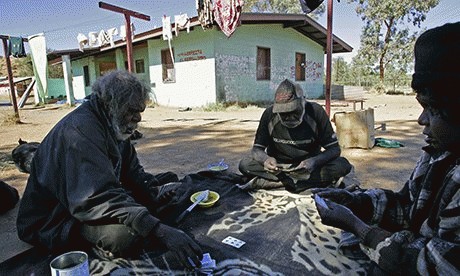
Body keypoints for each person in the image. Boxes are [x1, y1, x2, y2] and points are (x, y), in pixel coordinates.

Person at [312, 22, 460, 275]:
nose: (421, 120)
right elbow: (407, 206)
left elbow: (438, 265)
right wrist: (355, 202)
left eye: (433, 109)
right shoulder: (439, 155)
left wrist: (359, 227)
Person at [16, 71, 203, 269]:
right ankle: (84, 237)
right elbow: (96, 196)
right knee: (124, 236)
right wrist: (159, 229)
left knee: (164, 184)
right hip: (58, 216)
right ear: (113, 105)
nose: (138, 118)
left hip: (92, 197)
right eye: (132, 111)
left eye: (140, 111)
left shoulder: (113, 122)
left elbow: (132, 172)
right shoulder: (81, 130)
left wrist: (151, 191)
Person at [238, 79, 352, 193]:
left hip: (308, 169)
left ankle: (274, 184)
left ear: (303, 102)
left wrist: (314, 161)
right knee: (245, 165)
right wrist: (266, 160)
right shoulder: (269, 114)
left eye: (293, 111)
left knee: (342, 165)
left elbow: (334, 149)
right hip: (279, 168)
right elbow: (257, 149)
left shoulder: (316, 112)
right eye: (283, 113)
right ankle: (301, 184)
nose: (289, 117)